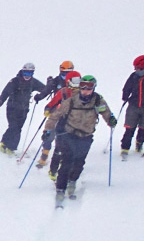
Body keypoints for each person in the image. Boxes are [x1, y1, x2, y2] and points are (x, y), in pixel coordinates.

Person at [44, 74, 117, 204]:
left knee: (79, 161)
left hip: (86, 135)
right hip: (70, 133)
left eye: (89, 87)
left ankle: (72, 180)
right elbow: (55, 116)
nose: (86, 90)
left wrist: (110, 120)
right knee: (67, 161)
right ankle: (60, 187)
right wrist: (47, 130)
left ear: (94, 88)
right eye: (83, 87)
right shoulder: (72, 100)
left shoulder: (98, 100)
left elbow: (105, 112)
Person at [0, 63, 47, 155]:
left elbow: (45, 89)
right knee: (14, 127)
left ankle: (4, 142)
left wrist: (39, 96)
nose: (27, 76)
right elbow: (6, 92)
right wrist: (0, 101)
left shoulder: (33, 82)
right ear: (22, 72)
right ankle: (11, 148)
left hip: (24, 110)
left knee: (18, 128)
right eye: (26, 73)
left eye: (30, 74)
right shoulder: (14, 81)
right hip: (12, 108)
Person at [37, 71, 80, 172]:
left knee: (65, 140)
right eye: (75, 81)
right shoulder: (63, 91)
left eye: (79, 80)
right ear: (69, 81)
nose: (77, 84)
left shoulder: (81, 92)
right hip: (58, 116)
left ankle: (62, 159)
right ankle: (45, 154)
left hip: (72, 120)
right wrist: (47, 109)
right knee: (49, 134)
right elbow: (53, 102)